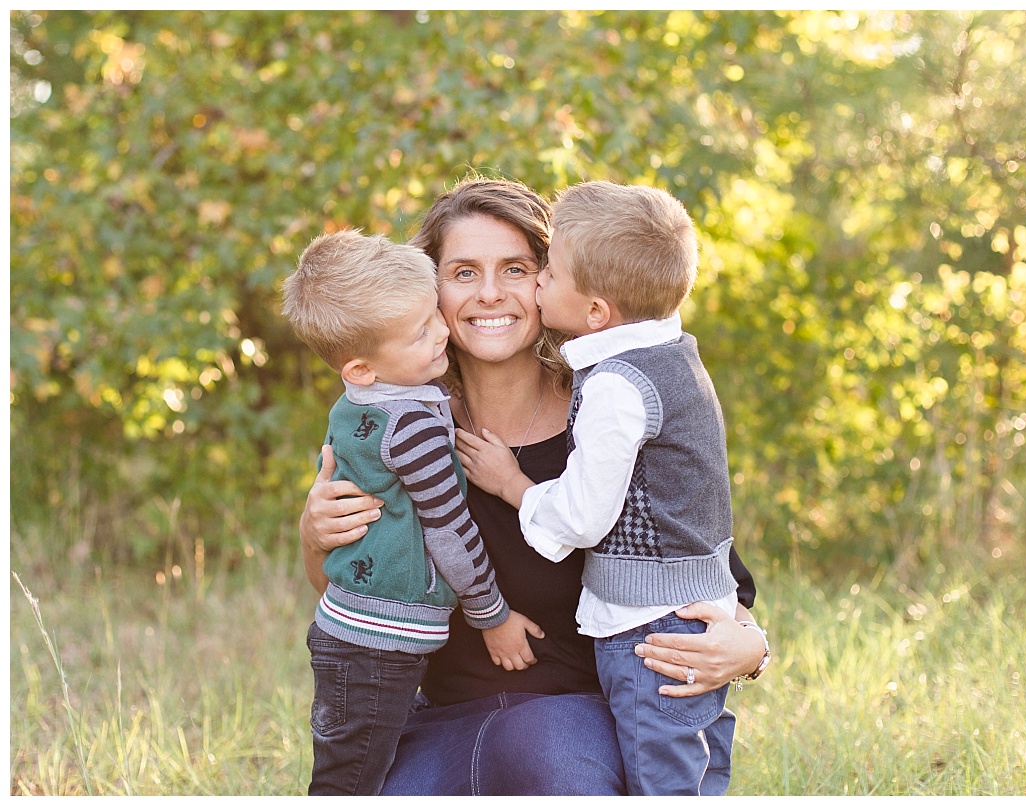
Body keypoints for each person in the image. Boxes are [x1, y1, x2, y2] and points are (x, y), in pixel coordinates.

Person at [298, 176, 772, 796]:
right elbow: (353, 583)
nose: (490, 293)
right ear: (429, 290)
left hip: (568, 719)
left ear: (553, 284)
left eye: (516, 269)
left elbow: (702, 564)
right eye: (463, 272)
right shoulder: (394, 425)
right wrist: (313, 535)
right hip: (438, 717)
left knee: (546, 762)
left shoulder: (610, 413)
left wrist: (751, 649)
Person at [456, 181, 758, 795]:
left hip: (644, 638)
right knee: (689, 774)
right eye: (463, 271)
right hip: (453, 713)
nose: (530, 285)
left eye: (537, 270)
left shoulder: (614, 393)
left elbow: (623, 522)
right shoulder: (670, 360)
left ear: (596, 309)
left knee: (665, 782)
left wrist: (750, 645)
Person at [281, 230, 532, 795]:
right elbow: (448, 530)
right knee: (351, 786)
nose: (443, 329)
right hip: (380, 643)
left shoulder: (360, 403)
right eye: (422, 331)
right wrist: (492, 616)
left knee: (352, 771)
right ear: (361, 368)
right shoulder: (414, 425)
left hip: (353, 629)